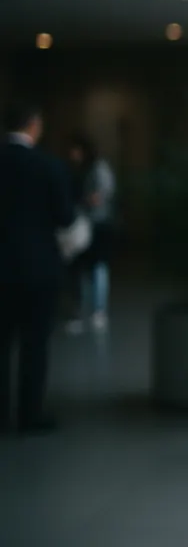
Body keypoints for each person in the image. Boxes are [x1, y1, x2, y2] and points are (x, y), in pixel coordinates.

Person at [0, 102, 76, 434]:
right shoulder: (49, 166)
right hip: (38, 268)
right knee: (35, 345)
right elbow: (65, 218)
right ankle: (29, 413)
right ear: (33, 125)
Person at [66, 135, 116, 333]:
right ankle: (85, 310)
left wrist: (81, 201)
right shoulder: (79, 170)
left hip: (98, 224)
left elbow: (100, 197)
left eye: (76, 150)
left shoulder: (98, 170)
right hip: (84, 223)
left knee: (98, 268)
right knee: (83, 269)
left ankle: (98, 310)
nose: (73, 155)